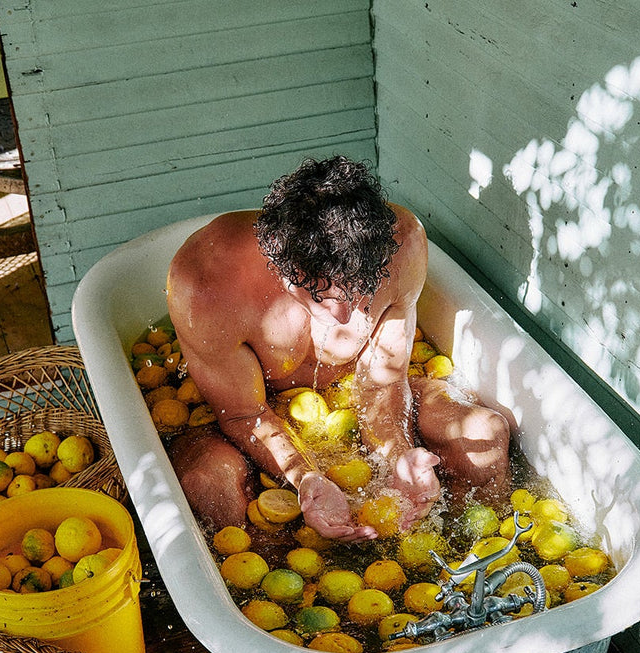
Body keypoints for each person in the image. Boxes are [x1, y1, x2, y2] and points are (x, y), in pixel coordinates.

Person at [165, 155, 511, 541]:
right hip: (248, 417)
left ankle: (474, 558)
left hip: (353, 396)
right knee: (210, 488)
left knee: (486, 435)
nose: (347, 317)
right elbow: (244, 414)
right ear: (285, 269)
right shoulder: (206, 282)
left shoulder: (403, 244)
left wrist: (398, 455)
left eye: (361, 291)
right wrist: (305, 476)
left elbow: (380, 383)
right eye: (325, 297)